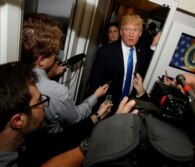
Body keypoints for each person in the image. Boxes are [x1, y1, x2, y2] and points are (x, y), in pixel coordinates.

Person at [0, 61, 137, 167]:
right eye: (39, 102)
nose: (44, 106)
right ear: (18, 121)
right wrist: (112, 130)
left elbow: (60, 140)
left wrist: (97, 116)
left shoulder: (28, 139)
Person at [21, 13, 110, 133]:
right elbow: (76, 119)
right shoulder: (58, 91)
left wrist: (49, 75)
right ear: (41, 60)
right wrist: (95, 96)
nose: (56, 57)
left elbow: (39, 82)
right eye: (55, 54)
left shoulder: (15, 76)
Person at [88, 14, 154, 115]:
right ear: (121, 32)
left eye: (135, 30)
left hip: (129, 106)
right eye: (127, 29)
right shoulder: (105, 52)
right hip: (107, 107)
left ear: (140, 33)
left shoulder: (142, 50)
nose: (131, 34)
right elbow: (94, 83)